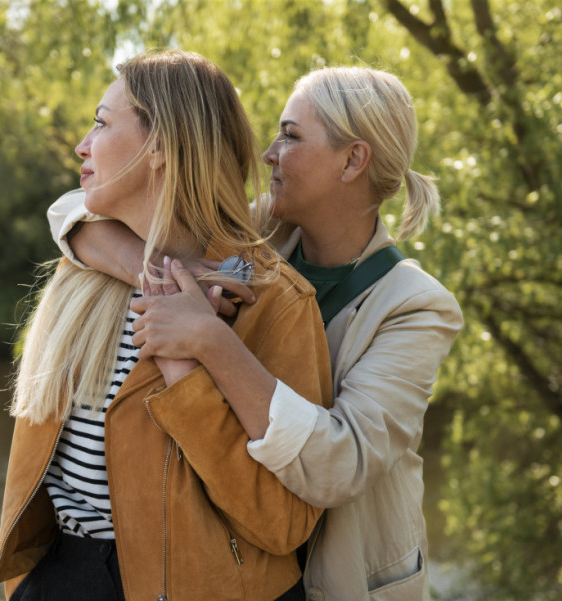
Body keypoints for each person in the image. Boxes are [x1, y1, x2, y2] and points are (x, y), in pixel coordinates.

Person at [48, 66, 464, 600]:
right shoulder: (256, 239)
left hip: (338, 577)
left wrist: (210, 341)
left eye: (290, 136)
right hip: (240, 563)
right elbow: (71, 210)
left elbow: (342, 463)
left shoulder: (415, 306)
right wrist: (149, 268)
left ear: (352, 160)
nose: (268, 153)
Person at [0, 50, 334, 601]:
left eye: (101, 123)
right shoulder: (85, 266)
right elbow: (65, 211)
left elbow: (283, 524)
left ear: (161, 148)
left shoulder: (273, 302)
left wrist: (187, 372)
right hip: (62, 578)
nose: (82, 144)